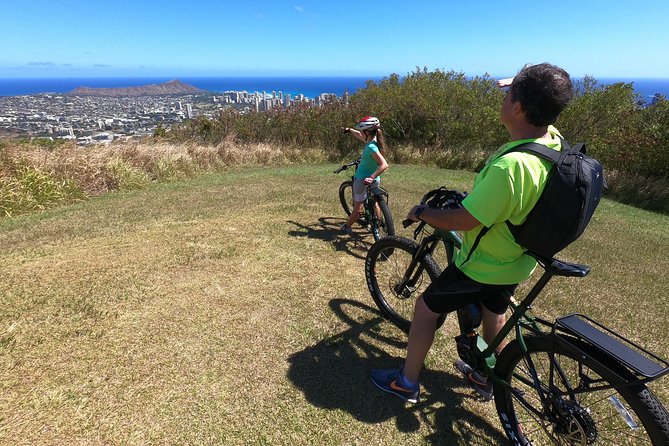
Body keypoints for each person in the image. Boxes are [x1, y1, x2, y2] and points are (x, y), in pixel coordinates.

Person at [370, 63, 575, 403]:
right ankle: (486, 375)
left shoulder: (512, 167)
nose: (504, 98)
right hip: (519, 258)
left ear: (519, 107)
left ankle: (406, 383)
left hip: (485, 263)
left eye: (509, 94)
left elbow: (465, 221)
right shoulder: (551, 141)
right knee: (495, 313)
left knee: (424, 309)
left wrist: (423, 211)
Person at [340, 116, 389, 235]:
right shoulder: (375, 141)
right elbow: (360, 136)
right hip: (375, 180)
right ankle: (376, 223)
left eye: (362, 131)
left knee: (357, 209)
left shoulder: (371, 147)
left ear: (367, 132)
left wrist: (370, 177)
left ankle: (347, 227)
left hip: (362, 180)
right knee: (375, 202)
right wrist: (350, 130)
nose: (361, 133)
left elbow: (384, 165)